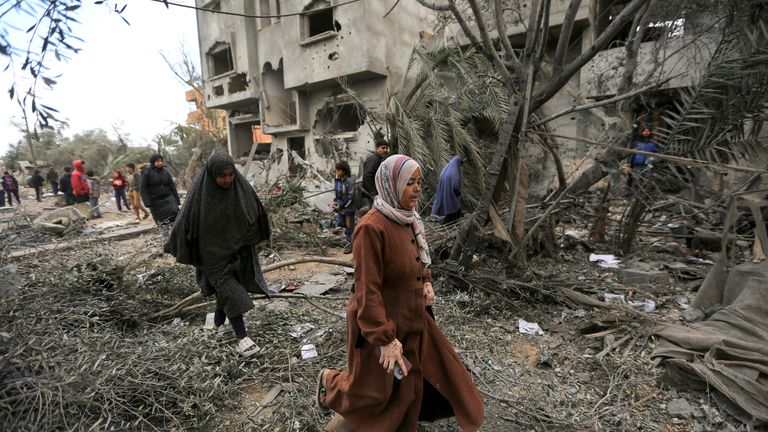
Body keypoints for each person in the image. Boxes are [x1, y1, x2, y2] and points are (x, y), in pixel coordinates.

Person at [315, 155, 484, 431]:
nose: (417, 189)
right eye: (409, 183)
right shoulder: (371, 228)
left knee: (409, 384)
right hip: (377, 322)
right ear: (391, 185)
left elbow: (418, 258)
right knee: (371, 391)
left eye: (419, 182)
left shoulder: (408, 219)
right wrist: (384, 338)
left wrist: (426, 280)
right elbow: (367, 290)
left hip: (412, 316)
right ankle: (330, 383)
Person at [165, 149, 270, 357]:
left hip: (235, 251)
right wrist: (182, 246)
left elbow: (256, 212)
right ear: (212, 174)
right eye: (222, 176)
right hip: (210, 255)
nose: (228, 179)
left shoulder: (240, 188)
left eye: (231, 174)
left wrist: (245, 236)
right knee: (232, 292)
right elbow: (184, 220)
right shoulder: (200, 192)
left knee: (226, 290)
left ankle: (216, 325)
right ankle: (242, 338)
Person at [141, 153, 181, 225]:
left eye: (161, 161)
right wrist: (146, 202)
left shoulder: (165, 172)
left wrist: (177, 199)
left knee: (175, 211)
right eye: (158, 161)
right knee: (162, 221)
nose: (160, 163)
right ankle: (167, 234)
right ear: (153, 162)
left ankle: (177, 230)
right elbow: (143, 188)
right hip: (155, 201)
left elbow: (172, 186)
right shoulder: (147, 172)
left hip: (168, 197)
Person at [359, 139, 390, 215]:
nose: (385, 150)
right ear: (377, 149)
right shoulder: (373, 160)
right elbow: (368, 175)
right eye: (383, 148)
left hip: (375, 192)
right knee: (375, 212)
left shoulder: (379, 159)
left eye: (386, 148)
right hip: (372, 193)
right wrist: (373, 193)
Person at [431, 156, 463, 224]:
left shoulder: (445, 169)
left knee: (448, 212)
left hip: (443, 194)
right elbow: (455, 186)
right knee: (454, 209)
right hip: (450, 195)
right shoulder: (454, 171)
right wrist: (458, 192)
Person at [333, 160, 356, 254]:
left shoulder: (349, 182)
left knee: (349, 227)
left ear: (344, 171)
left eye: (339, 170)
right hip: (340, 208)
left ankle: (351, 246)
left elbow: (350, 197)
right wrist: (335, 203)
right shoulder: (337, 181)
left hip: (348, 208)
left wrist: (341, 205)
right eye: (336, 170)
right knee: (341, 224)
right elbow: (337, 194)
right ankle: (349, 242)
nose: (337, 172)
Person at [626, 126, 658, 190]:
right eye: (644, 131)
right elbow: (631, 153)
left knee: (646, 180)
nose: (646, 132)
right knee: (635, 180)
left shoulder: (653, 144)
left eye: (648, 131)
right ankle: (633, 195)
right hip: (637, 164)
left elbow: (656, 154)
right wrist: (629, 162)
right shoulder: (636, 143)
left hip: (647, 165)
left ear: (650, 132)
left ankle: (643, 196)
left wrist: (653, 161)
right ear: (642, 132)